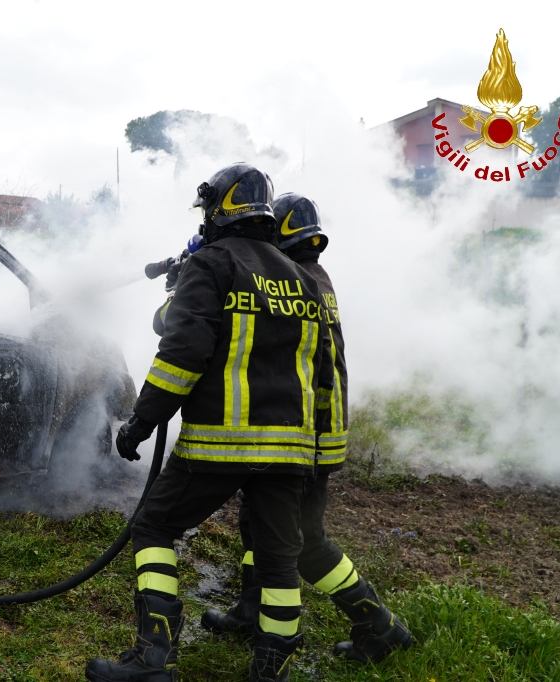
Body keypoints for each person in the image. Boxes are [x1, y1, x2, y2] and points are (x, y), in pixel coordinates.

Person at [85, 164, 333, 682]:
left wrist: (140, 422)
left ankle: (155, 657)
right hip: (290, 449)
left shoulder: (214, 265)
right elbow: (320, 371)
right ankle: (271, 671)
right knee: (278, 558)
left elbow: (182, 355)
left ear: (219, 208)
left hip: (220, 444)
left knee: (154, 526)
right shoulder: (301, 277)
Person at [199, 192, 414, 664]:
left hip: (306, 436)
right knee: (258, 525)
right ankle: (252, 609)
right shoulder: (314, 277)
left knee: (304, 543)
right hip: (310, 430)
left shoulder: (298, 284)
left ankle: (379, 627)